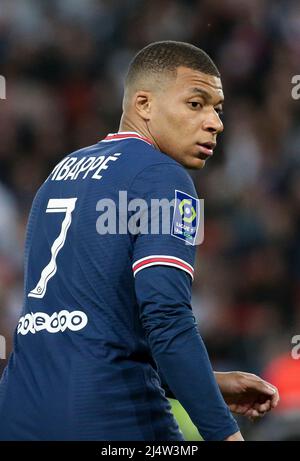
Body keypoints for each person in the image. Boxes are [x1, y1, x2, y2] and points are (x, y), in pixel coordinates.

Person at [0, 41, 279, 441]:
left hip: (17, 413)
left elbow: (85, 332)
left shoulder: (59, 173)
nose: (215, 122)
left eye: (217, 109)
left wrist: (206, 382)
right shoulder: (164, 178)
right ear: (144, 104)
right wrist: (225, 433)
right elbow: (167, 320)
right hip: (109, 415)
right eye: (196, 104)